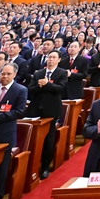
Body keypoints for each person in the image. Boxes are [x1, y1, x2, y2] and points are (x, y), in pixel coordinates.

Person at [0, 63, 28, 199]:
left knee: (0, 171)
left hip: (5, 136)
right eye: (2, 74)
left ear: (14, 75)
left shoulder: (20, 90)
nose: (4, 76)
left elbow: (18, 112)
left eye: (8, 74)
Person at [27, 50, 68, 179]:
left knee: (48, 140)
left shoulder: (62, 73)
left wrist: (47, 85)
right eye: (49, 57)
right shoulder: (39, 73)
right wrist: (40, 86)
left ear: (59, 60)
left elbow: (60, 89)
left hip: (51, 110)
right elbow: (30, 89)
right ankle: (31, 167)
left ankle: (45, 167)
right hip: (35, 109)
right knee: (34, 138)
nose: (50, 59)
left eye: (53, 57)